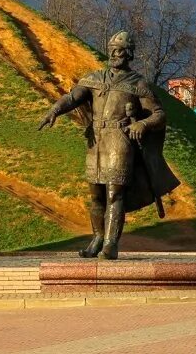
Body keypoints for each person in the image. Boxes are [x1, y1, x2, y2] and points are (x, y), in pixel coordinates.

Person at [37, 31, 179, 260]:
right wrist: (54, 110)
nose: (115, 54)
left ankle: (111, 243)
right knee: (95, 195)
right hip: (96, 139)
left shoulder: (137, 84)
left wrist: (142, 124)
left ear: (129, 54)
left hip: (120, 140)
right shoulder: (95, 78)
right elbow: (72, 98)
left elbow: (159, 115)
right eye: (112, 50)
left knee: (114, 192)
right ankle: (97, 237)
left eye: (121, 51)